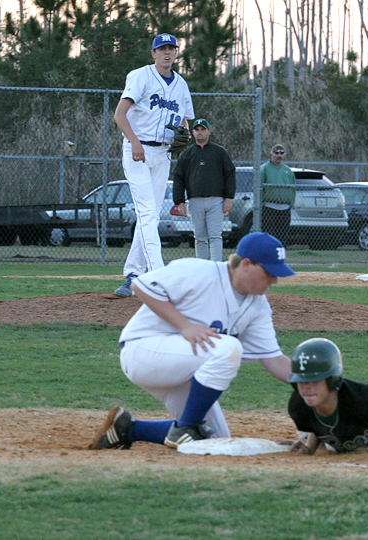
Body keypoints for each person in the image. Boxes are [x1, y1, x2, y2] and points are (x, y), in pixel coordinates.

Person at [88, 232, 295, 450]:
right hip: (143, 350)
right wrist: (184, 326)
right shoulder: (200, 272)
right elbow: (139, 286)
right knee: (228, 348)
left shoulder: (258, 306)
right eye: (269, 272)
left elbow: (274, 360)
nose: (274, 280)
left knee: (214, 442)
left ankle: (127, 429)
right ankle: (185, 427)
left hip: (181, 369)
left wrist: (322, 384)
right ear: (245, 264)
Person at [113, 33, 195, 297]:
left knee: (149, 215)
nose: (167, 53)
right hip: (137, 150)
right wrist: (134, 142)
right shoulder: (140, 76)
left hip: (163, 154)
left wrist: (185, 132)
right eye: (162, 49)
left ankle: (134, 274)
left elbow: (184, 120)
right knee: (148, 213)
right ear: (154, 53)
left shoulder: (181, 84)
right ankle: (158, 277)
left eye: (171, 48)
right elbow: (119, 114)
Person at [171, 118, 236, 261]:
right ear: (193, 132)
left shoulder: (219, 152)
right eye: (197, 130)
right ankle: (202, 267)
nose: (200, 133)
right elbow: (178, 178)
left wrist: (229, 198)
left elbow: (230, 174)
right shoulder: (187, 154)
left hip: (216, 200)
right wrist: (179, 201)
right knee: (199, 237)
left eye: (203, 130)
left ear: (209, 132)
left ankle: (216, 267)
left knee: (215, 236)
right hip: (195, 200)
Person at [259, 144, 296, 244]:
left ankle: (279, 255)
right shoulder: (264, 169)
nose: (279, 155)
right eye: (276, 153)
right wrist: (260, 204)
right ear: (271, 154)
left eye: (281, 153)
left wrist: (291, 203)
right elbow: (258, 189)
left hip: (284, 209)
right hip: (269, 208)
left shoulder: (288, 170)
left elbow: (293, 188)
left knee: (282, 237)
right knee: (269, 235)